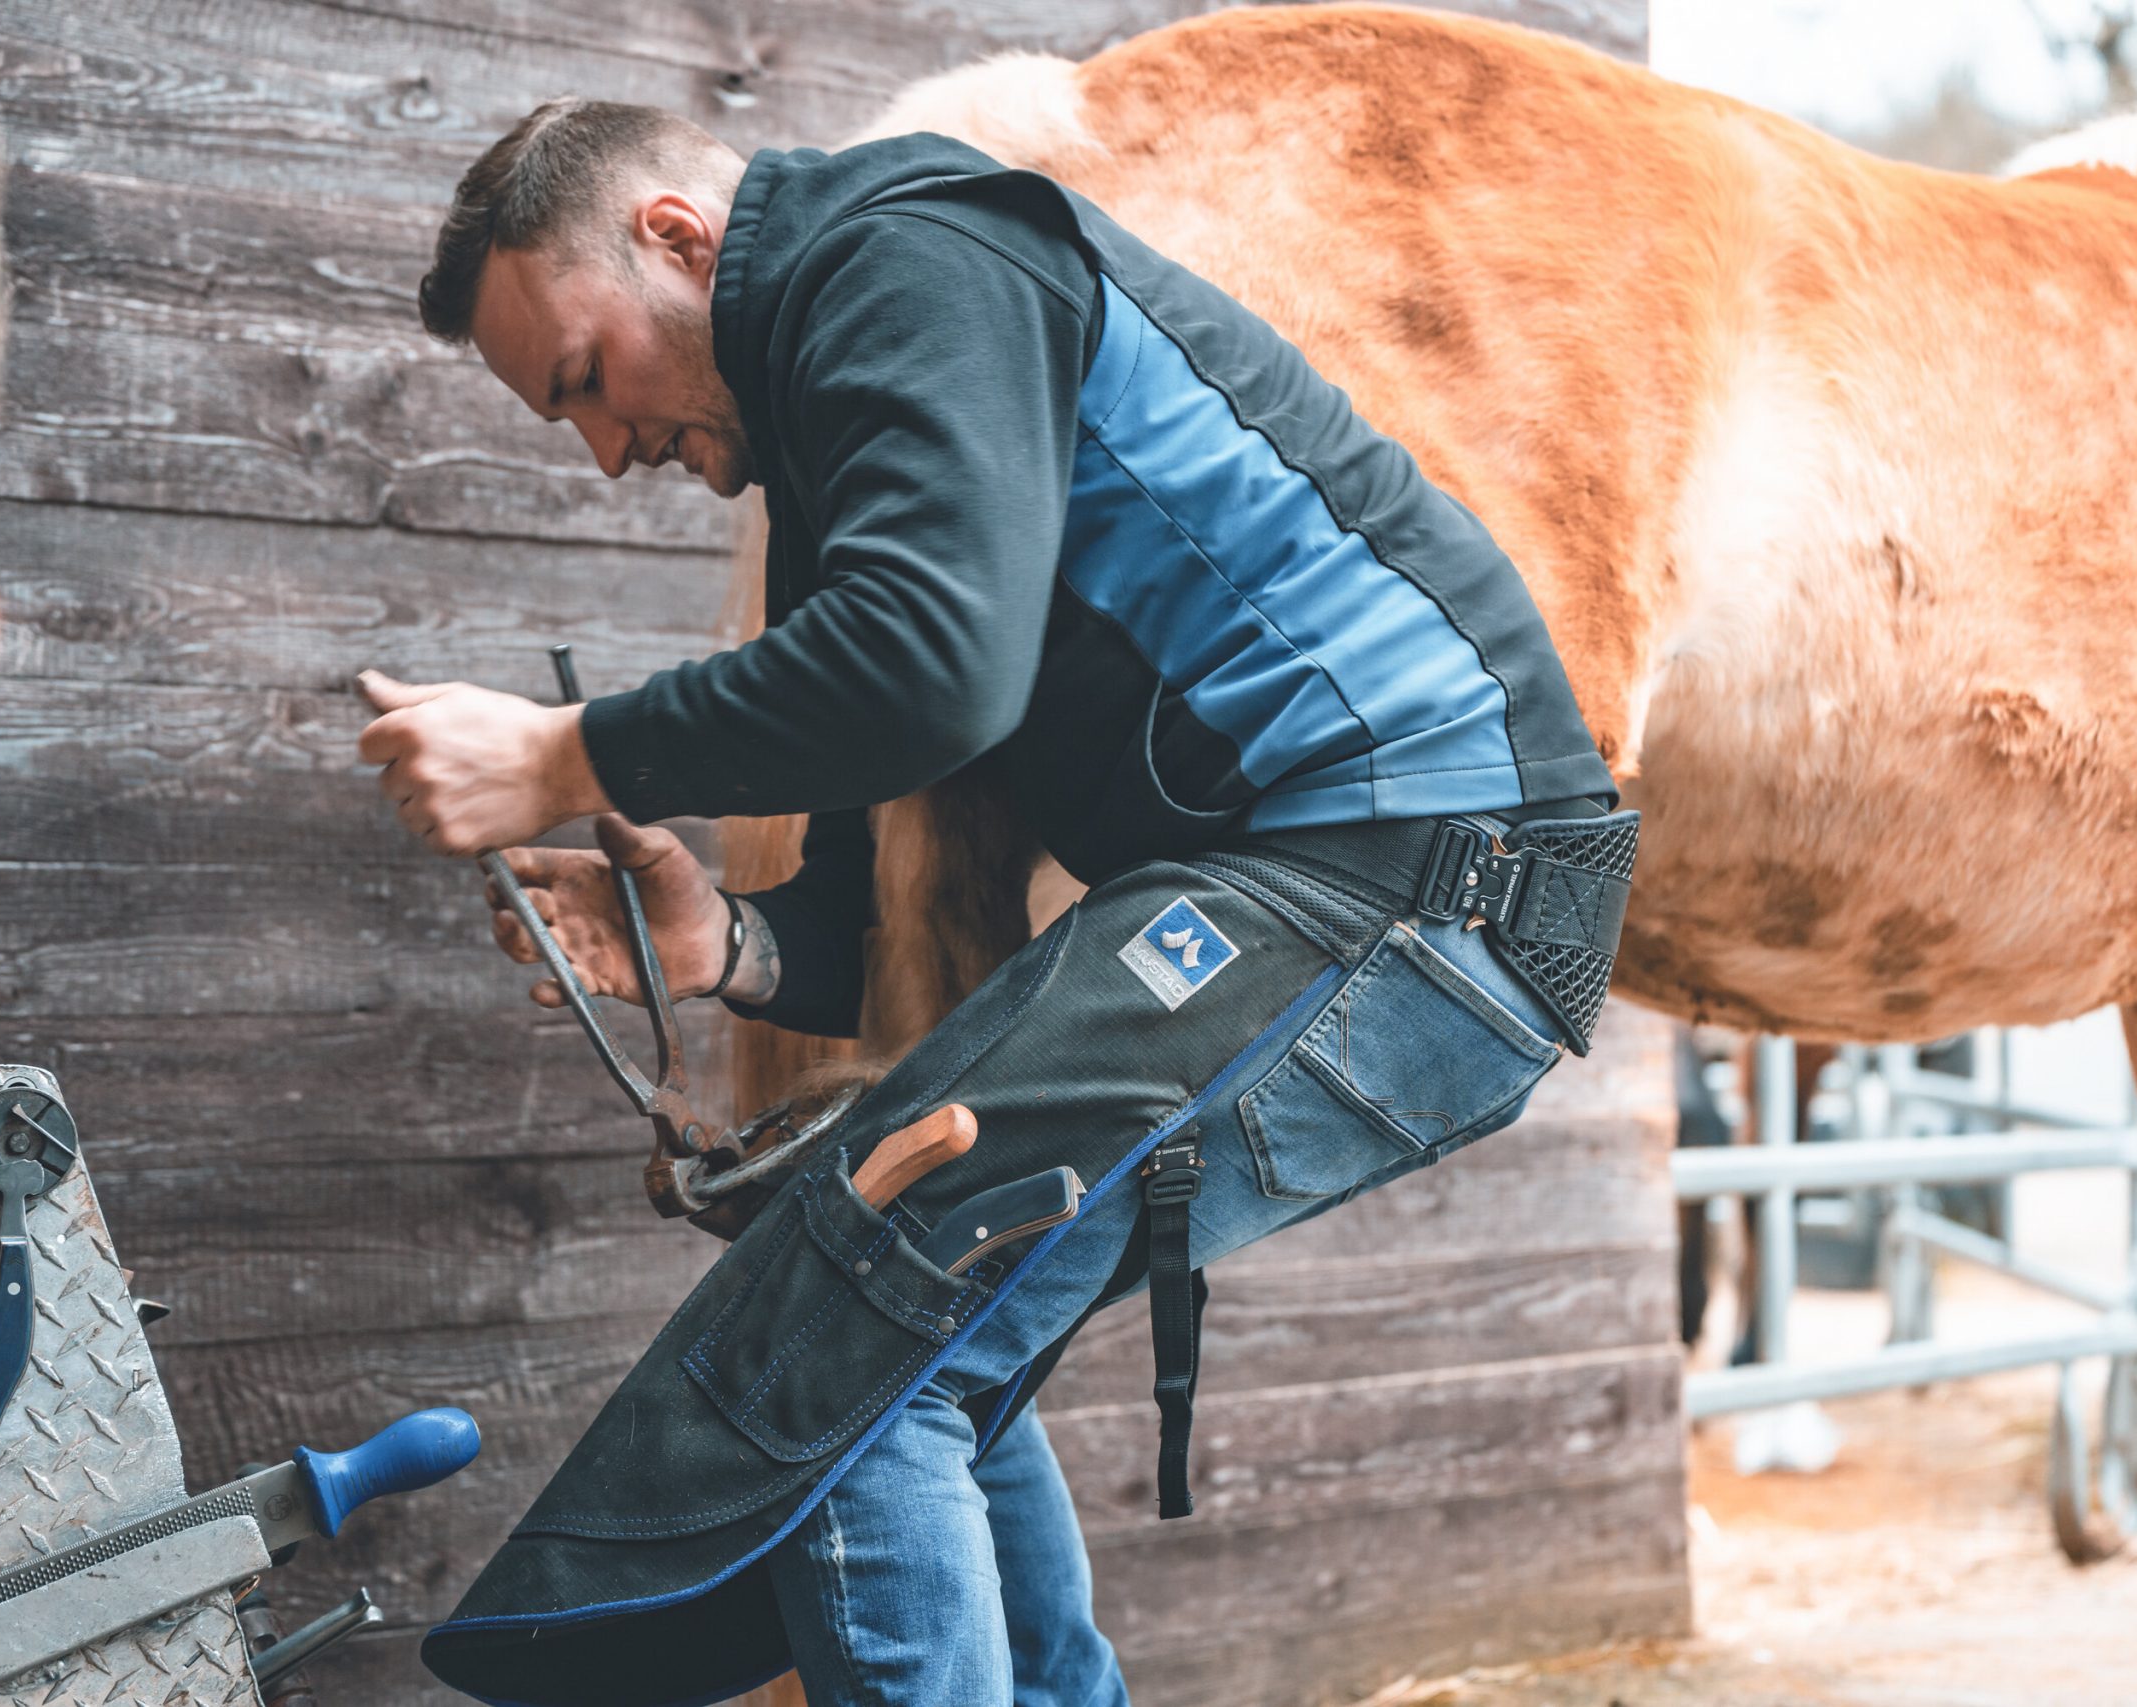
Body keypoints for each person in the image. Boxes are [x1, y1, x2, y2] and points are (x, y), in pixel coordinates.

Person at [359, 97, 1635, 1707]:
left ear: (676, 237)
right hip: (1318, 884)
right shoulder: (837, 442)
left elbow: (930, 668)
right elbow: (866, 878)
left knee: (852, 1350)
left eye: (587, 381)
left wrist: (565, 754)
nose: (612, 453)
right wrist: (721, 945)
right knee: (899, 1299)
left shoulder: (906, 258)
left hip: (1421, 863)